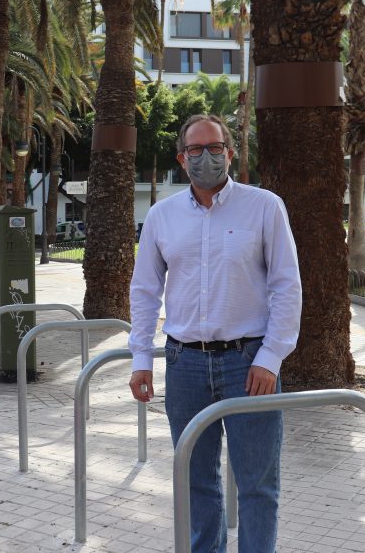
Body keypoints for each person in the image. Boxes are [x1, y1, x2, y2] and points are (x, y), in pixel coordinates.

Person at [128, 114, 302, 553]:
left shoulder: (265, 206)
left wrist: (270, 357)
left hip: (248, 365)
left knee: (258, 484)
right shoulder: (162, 216)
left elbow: (287, 285)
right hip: (184, 365)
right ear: (181, 158)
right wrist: (140, 359)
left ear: (230, 150)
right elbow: (145, 291)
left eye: (215, 148)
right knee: (196, 481)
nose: (207, 158)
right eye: (196, 150)